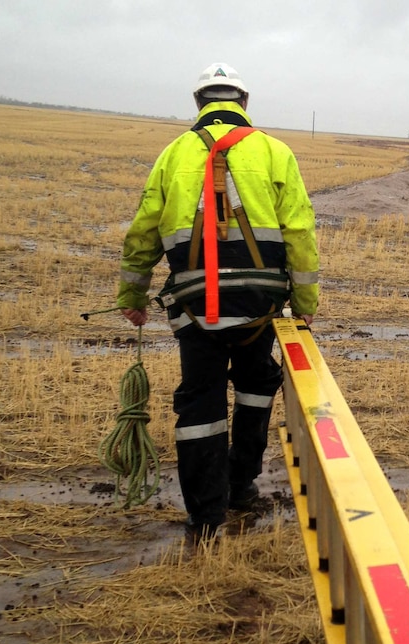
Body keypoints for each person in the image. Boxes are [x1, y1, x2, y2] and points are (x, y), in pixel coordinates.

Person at [117, 62, 319, 543]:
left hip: (193, 307)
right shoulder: (274, 151)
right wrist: (304, 301)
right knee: (255, 386)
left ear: (199, 104)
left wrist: (132, 293)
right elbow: (300, 231)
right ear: (243, 103)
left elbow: (144, 228)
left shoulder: (173, 154)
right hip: (259, 305)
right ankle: (242, 486)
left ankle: (206, 516)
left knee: (200, 403)